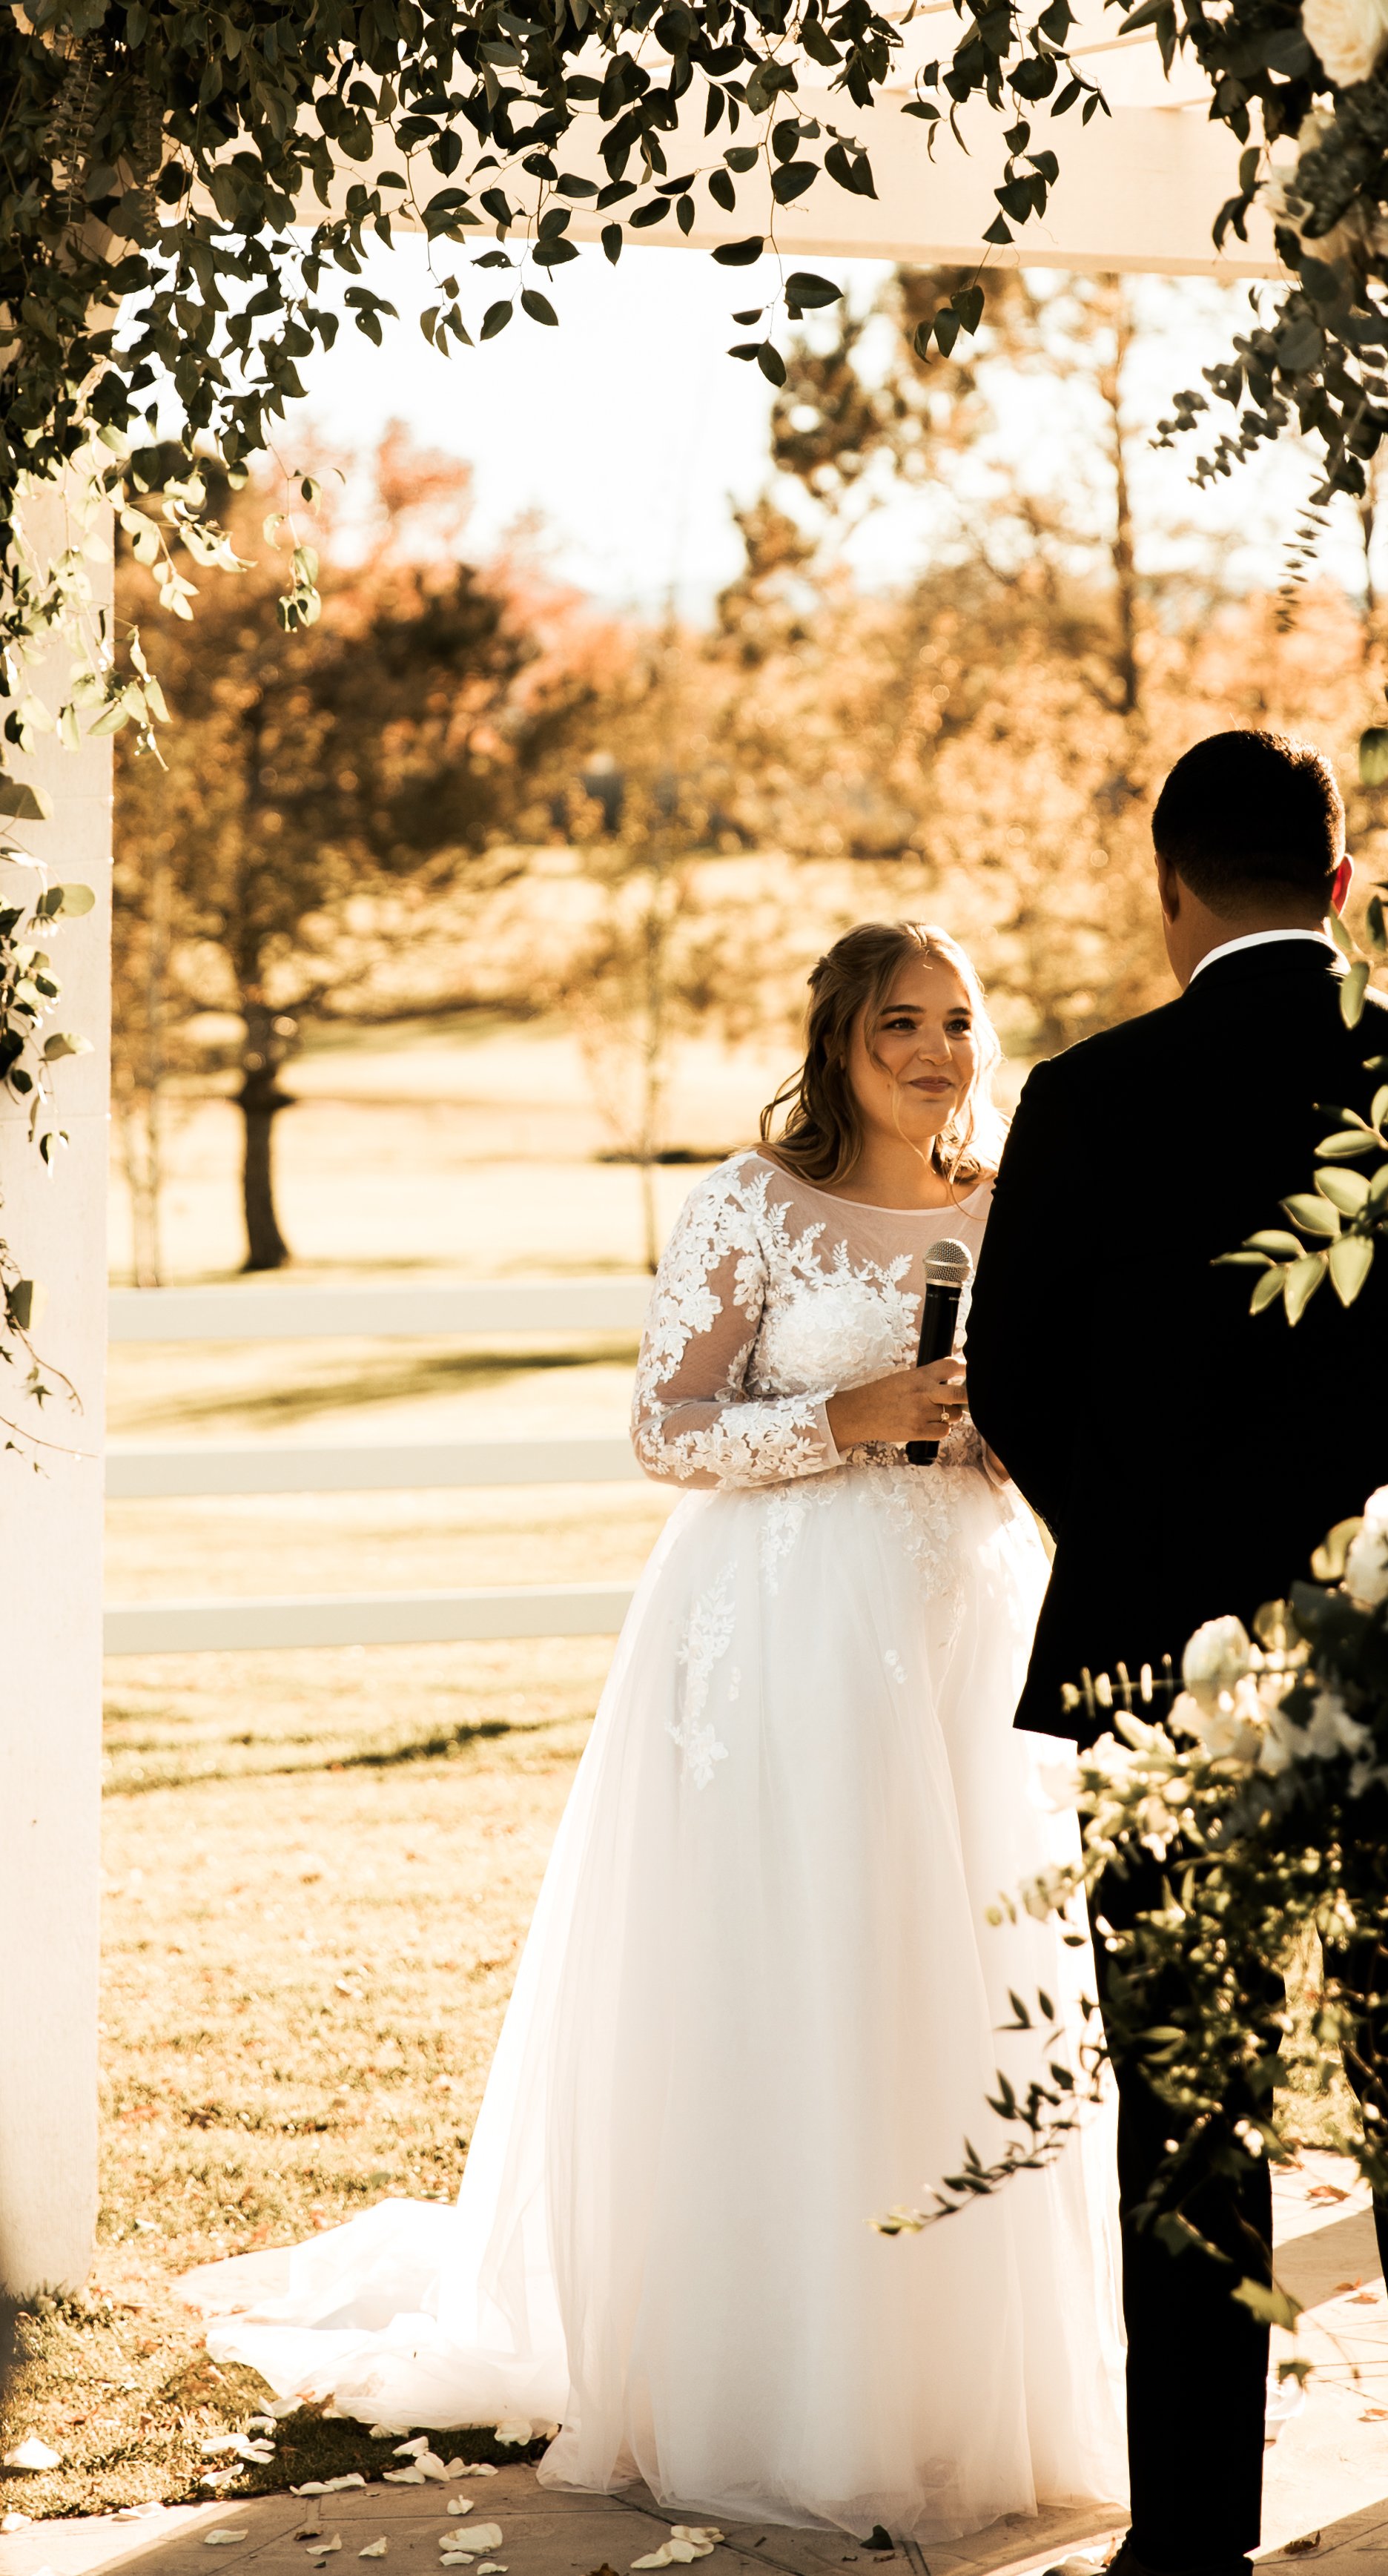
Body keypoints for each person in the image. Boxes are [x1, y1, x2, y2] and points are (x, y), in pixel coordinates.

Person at [191, 920, 1126, 2543]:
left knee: (958, 1975)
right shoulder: (750, 1204)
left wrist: (1001, 1436)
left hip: (967, 1628)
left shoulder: (1015, 1207)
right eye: (901, 1022)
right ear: (837, 1040)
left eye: (961, 1024)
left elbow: (1063, 1419)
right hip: (781, 1631)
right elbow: (663, 1425)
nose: (936, 1052)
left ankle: (952, 2383)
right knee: (794, 1971)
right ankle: (771, 2379)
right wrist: (845, 1419)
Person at [965, 732, 1388, 2576]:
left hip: (1168, 1684)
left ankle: (1194, 2539)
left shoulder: (1086, 1095)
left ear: (1169, 894)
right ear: (1343, 882)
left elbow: (1010, 1381)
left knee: (1189, 2097)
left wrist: (1153, 1566)